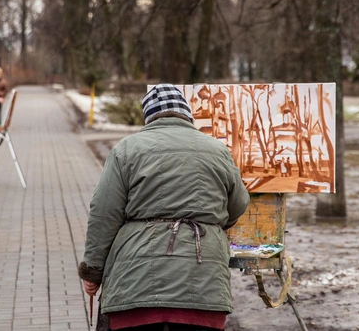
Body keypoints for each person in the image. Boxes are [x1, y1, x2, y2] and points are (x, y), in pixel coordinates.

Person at [78, 83, 250, 331]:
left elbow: (104, 214)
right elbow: (239, 203)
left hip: (134, 288)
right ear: (186, 115)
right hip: (204, 287)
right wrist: (212, 222)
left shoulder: (126, 150)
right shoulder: (217, 150)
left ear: (148, 117)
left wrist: (93, 271)